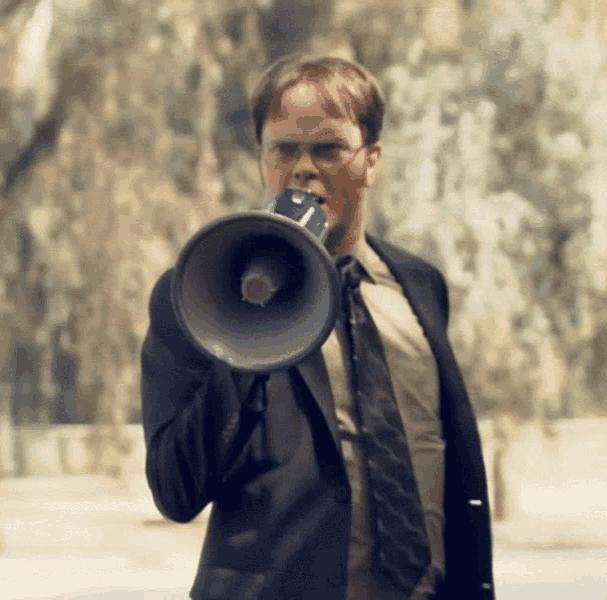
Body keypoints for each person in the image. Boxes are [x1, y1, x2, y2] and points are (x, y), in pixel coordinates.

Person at [142, 54, 495, 600]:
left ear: (371, 160)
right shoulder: (199, 294)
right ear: (262, 161)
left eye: (328, 149)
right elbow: (175, 490)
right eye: (284, 149)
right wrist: (246, 337)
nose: (304, 168)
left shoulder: (420, 286)